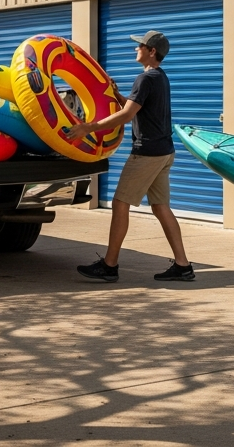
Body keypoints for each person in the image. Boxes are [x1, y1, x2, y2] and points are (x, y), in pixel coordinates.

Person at [72, 30, 194, 283]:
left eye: (140, 46)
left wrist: (88, 127)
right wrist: (118, 96)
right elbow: (135, 108)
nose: (135, 49)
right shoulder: (160, 78)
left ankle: (109, 265)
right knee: (161, 208)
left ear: (152, 51)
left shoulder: (145, 79)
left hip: (147, 153)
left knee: (120, 203)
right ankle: (183, 266)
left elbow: (127, 116)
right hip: (164, 152)